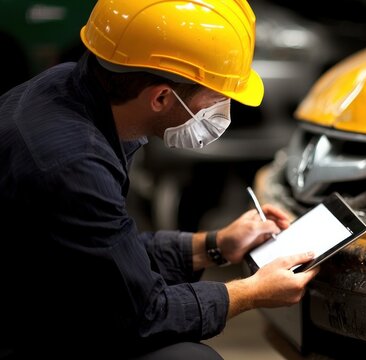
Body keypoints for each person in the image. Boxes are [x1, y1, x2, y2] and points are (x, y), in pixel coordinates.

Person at [0, 0, 319, 359]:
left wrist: (215, 244)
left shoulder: (68, 87)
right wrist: (252, 292)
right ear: (161, 97)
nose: (222, 110)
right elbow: (141, 314)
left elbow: (107, 256)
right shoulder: (72, 164)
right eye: (217, 98)